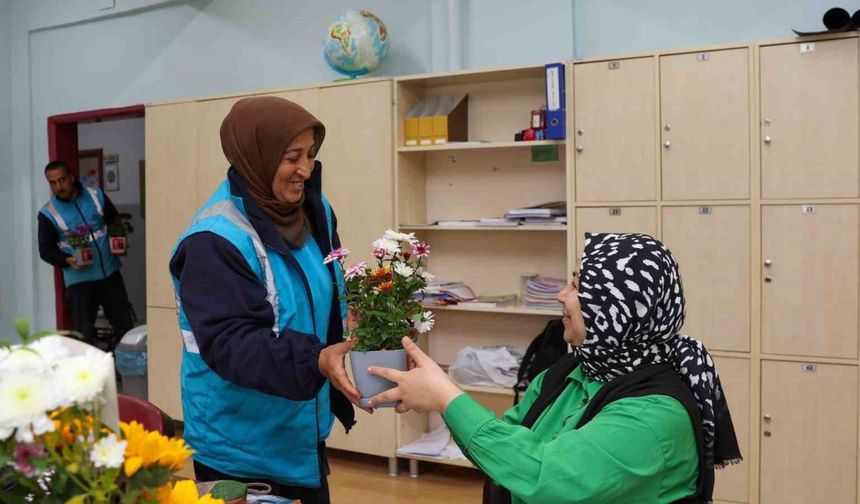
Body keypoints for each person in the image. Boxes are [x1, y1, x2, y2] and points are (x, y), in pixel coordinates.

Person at [369, 233, 742, 504]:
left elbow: (545, 478)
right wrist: (437, 393)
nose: (562, 295)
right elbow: (504, 447)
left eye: (577, 286)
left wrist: (447, 398)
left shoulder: (654, 416)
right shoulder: (568, 371)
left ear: (616, 310)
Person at [169, 96, 362, 504]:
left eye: (311, 155)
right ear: (257, 156)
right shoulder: (214, 240)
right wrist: (316, 359)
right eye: (292, 157)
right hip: (241, 450)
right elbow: (232, 343)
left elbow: (328, 288)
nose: (306, 170)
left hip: (300, 431)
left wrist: (359, 320)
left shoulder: (313, 208)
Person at [38, 160, 133, 352]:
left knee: (125, 328)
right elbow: (45, 249)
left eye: (62, 180)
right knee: (83, 336)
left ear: (71, 177)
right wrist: (66, 260)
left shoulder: (95, 195)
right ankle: (86, 379)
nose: (58, 187)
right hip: (80, 282)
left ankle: (130, 376)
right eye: (53, 183)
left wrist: (119, 240)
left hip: (110, 274)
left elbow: (113, 220)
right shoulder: (48, 213)